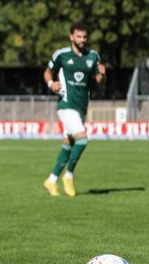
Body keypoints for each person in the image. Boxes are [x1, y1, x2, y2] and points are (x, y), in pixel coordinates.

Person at [43, 22, 105, 197]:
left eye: (85, 37)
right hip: (66, 105)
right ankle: (68, 176)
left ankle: (51, 180)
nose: (82, 40)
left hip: (82, 107)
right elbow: (47, 72)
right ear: (71, 37)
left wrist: (102, 74)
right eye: (78, 36)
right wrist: (50, 83)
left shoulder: (93, 56)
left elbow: (100, 81)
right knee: (82, 140)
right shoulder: (61, 55)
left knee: (68, 145)